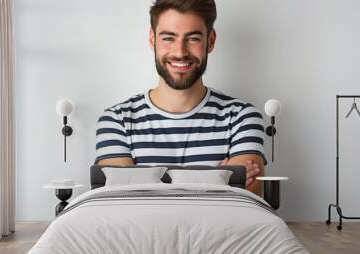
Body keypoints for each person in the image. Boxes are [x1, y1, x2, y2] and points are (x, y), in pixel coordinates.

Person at [95, 0, 266, 196]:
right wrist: (217, 181)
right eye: (169, 38)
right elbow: (118, 202)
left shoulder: (242, 118)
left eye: (193, 39)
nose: (180, 52)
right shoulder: (117, 121)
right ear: (153, 40)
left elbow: (242, 202)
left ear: (210, 41)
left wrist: (147, 186)